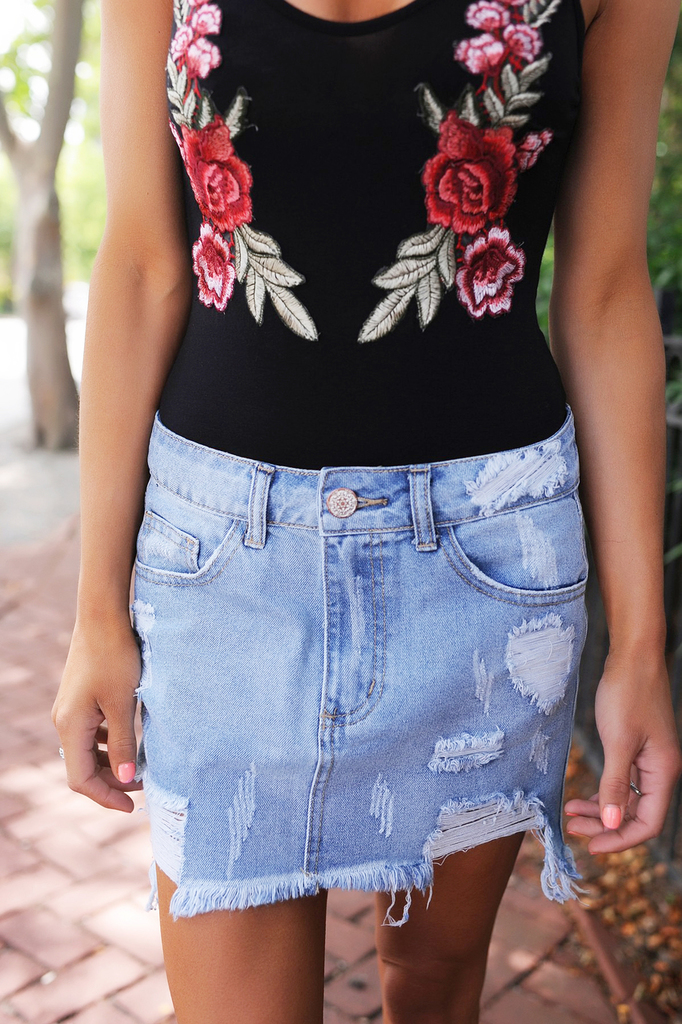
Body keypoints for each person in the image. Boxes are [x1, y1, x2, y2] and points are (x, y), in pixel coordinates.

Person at [52, 0, 682, 1020]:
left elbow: (604, 290)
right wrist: (93, 616)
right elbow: (138, 265)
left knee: (432, 988)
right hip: (220, 573)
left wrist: (639, 645)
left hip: (487, 569)